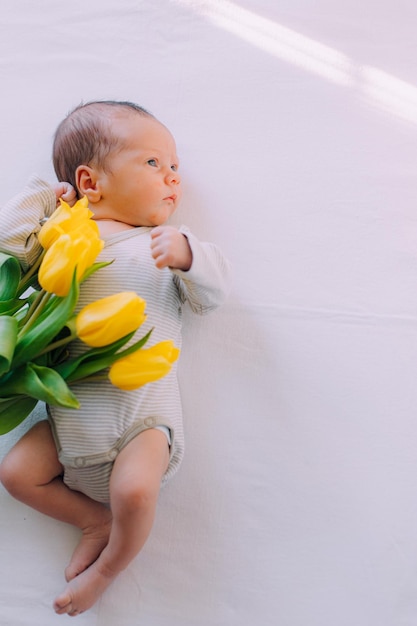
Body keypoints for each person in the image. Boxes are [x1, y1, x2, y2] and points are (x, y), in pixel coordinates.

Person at [0, 100, 230, 616]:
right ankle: (91, 520)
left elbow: (211, 295)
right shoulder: (62, 236)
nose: (172, 178)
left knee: (133, 493)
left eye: (175, 167)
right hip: (68, 415)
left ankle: (106, 570)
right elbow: (7, 247)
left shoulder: (161, 244)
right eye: (154, 164)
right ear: (89, 181)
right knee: (16, 474)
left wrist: (189, 256)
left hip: (139, 416)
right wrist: (45, 197)